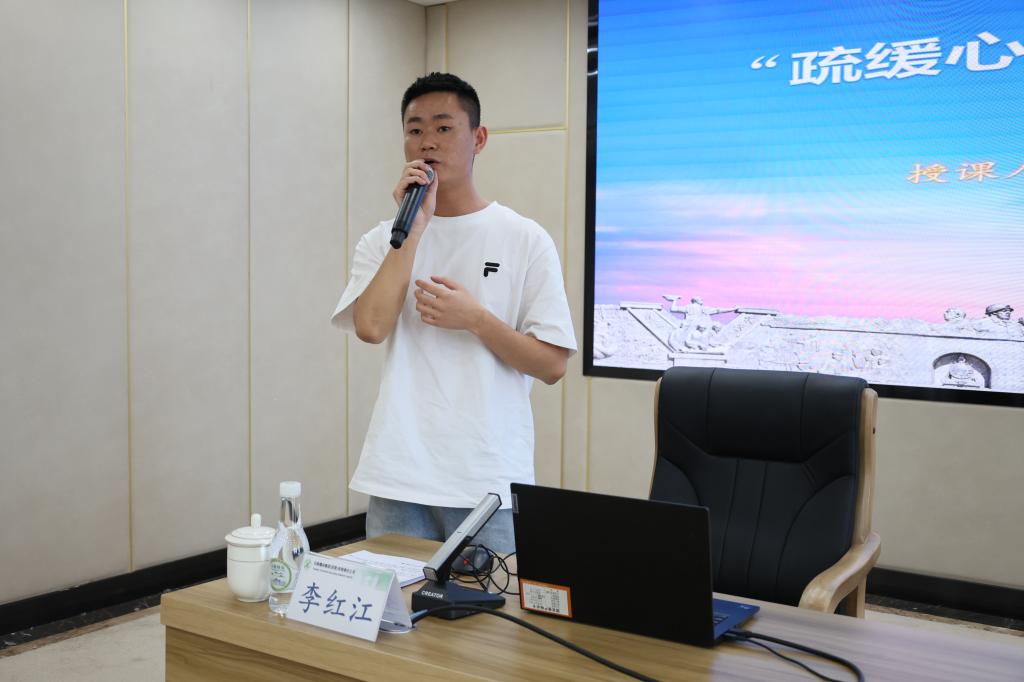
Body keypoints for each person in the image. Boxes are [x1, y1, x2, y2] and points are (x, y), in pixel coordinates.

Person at [331, 73, 576, 554]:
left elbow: (552, 365)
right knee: (397, 603)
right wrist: (413, 230)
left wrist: (476, 319)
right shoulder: (384, 238)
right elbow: (371, 328)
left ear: (478, 139)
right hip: (398, 475)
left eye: (444, 128)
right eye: (415, 129)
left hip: (485, 481)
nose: (427, 142)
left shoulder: (524, 238)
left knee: (489, 606)